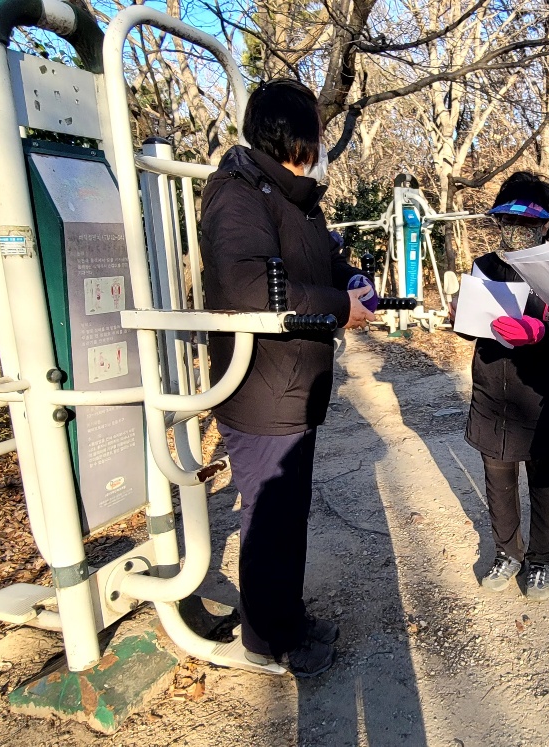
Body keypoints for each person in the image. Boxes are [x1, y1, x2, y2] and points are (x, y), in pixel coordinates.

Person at [199, 79, 378, 677]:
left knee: (287, 516)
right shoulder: (238, 195)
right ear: (298, 137)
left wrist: (349, 280)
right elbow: (250, 290)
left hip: (293, 386)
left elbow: (322, 262)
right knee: (269, 520)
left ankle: (286, 618)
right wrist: (337, 304)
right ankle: (268, 640)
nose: (323, 147)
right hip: (258, 389)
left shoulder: (295, 197)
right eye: (319, 136)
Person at [459, 172, 549, 602]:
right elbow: (468, 325)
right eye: (507, 223)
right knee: (498, 477)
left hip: (543, 395)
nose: (516, 233)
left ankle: (543, 558)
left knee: (546, 482)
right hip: (494, 390)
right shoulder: (485, 266)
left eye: (527, 224)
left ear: (548, 225)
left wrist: (542, 332)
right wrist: (463, 314)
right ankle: (507, 551)